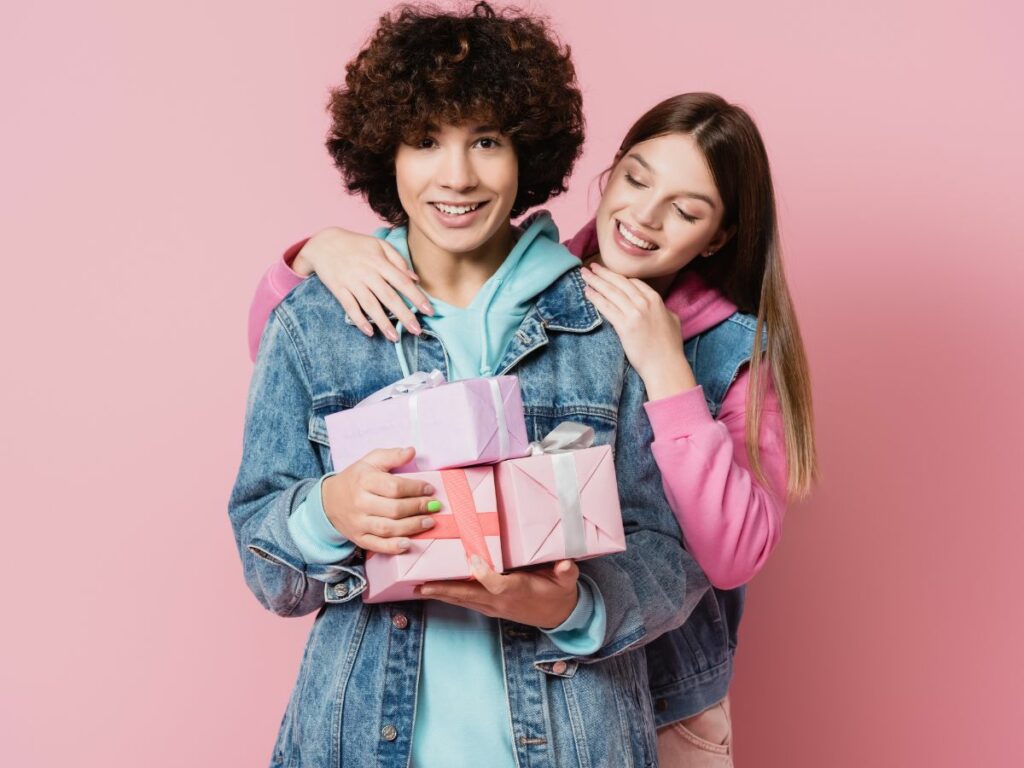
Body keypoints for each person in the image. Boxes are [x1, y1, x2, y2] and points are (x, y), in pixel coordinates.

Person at [248, 92, 818, 766]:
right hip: (395, 715)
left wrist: (668, 371)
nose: (643, 216)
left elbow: (715, 554)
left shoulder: (684, 347)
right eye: (635, 180)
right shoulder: (566, 281)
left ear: (718, 234)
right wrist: (315, 254)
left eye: (687, 210)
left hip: (656, 696)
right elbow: (292, 361)